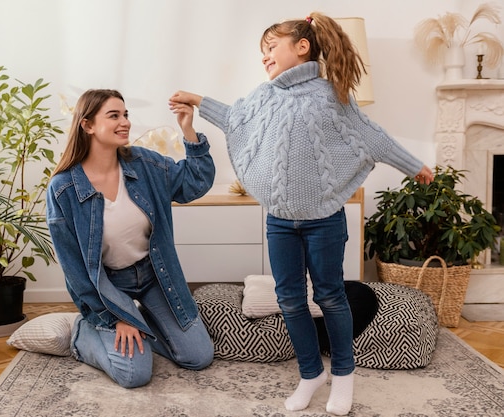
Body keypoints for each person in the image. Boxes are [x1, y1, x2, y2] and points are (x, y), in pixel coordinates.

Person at [169, 12, 433, 415]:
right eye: (263, 52)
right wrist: (199, 101)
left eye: (270, 48)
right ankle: (311, 374)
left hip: (324, 219)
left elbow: (373, 137)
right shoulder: (265, 94)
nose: (265, 58)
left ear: (302, 47)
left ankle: (343, 376)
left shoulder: (332, 95)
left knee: (329, 295)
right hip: (279, 220)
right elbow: (236, 118)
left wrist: (415, 165)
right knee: (289, 299)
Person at [46, 89, 215, 388]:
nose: (124, 122)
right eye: (114, 116)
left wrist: (188, 131)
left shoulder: (144, 164)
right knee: (134, 374)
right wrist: (116, 318)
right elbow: (74, 269)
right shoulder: (63, 189)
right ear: (87, 125)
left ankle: (142, 325)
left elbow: (193, 183)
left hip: (155, 276)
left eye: (125, 115)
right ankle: (84, 332)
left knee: (198, 356)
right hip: (108, 288)